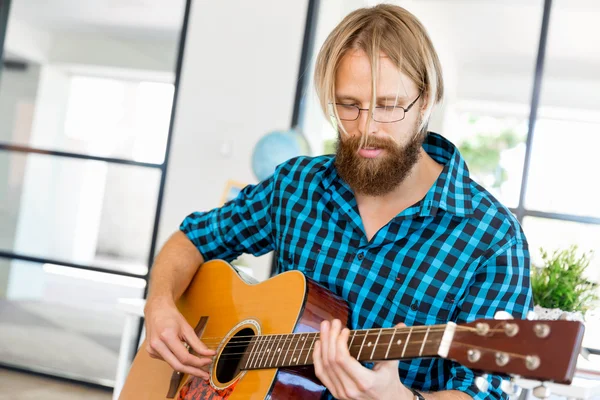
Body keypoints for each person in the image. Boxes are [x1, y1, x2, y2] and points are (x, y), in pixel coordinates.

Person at [143, 4, 533, 400]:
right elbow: (193, 239)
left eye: (388, 105)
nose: (366, 129)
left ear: (427, 99)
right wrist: (158, 303)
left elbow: (486, 392)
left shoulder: (493, 239)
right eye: (349, 105)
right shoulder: (296, 184)